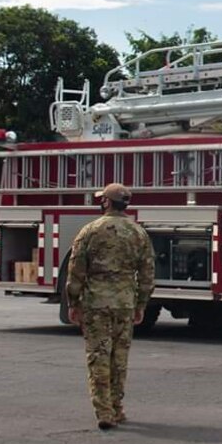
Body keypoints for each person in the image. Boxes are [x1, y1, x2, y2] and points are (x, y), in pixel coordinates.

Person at [66, 183, 155, 430]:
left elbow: (76, 271)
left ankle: (104, 411)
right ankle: (117, 408)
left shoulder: (90, 231)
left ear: (106, 202)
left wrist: (74, 303)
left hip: (96, 303)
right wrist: (141, 304)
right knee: (119, 358)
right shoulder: (138, 233)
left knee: (98, 356)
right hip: (124, 303)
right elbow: (147, 273)